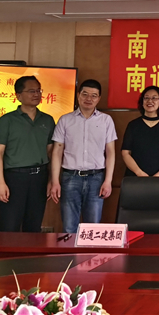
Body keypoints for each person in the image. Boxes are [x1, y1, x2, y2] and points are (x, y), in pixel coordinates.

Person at [48, 79, 117, 233]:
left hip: (96, 178)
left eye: (94, 95)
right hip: (70, 178)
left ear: (99, 98)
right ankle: (69, 251)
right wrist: (55, 181)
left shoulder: (106, 120)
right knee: (68, 227)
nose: (89, 98)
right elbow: (57, 151)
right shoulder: (65, 120)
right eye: (85, 94)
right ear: (78, 95)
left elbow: (110, 152)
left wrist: (108, 181)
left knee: (92, 229)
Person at [0, 76, 56, 232]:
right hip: (14, 178)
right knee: (8, 226)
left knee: (33, 226)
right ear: (18, 95)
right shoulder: (7, 120)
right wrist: (0, 183)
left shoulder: (47, 120)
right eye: (31, 91)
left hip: (39, 178)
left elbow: (50, 153)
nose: (36, 94)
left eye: (39, 91)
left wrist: (51, 180)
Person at [121, 86, 159, 177]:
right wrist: (139, 173)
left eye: (154, 98)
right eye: (146, 98)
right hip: (135, 177)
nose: (150, 101)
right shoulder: (133, 125)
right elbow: (125, 153)